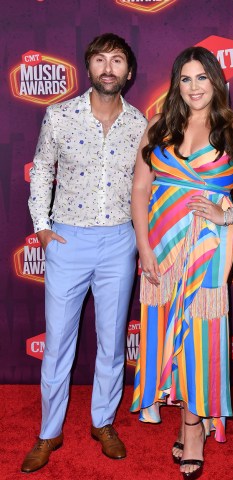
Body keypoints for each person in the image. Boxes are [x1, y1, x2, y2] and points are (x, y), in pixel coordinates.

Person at [130, 46, 233, 479]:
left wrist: (228, 213)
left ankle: (193, 427)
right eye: (185, 79)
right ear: (176, 84)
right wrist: (143, 246)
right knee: (165, 334)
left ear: (215, 81)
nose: (194, 87)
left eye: (202, 78)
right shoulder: (159, 127)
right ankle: (181, 415)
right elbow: (140, 190)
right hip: (160, 248)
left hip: (208, 252)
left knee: (200, 338)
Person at [22, 33, 147, 474]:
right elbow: (41, 173)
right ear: (88, 68)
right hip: (68, 241)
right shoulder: (59, 116)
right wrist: (41, 227)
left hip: (119, 242)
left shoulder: (140, 123)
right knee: (57, 343)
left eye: (117, 61)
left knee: (112, 343)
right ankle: (49, 431)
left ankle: (103, 422)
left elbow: (147, 186)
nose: (108, 68)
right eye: (100, 60)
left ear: (128, 73)